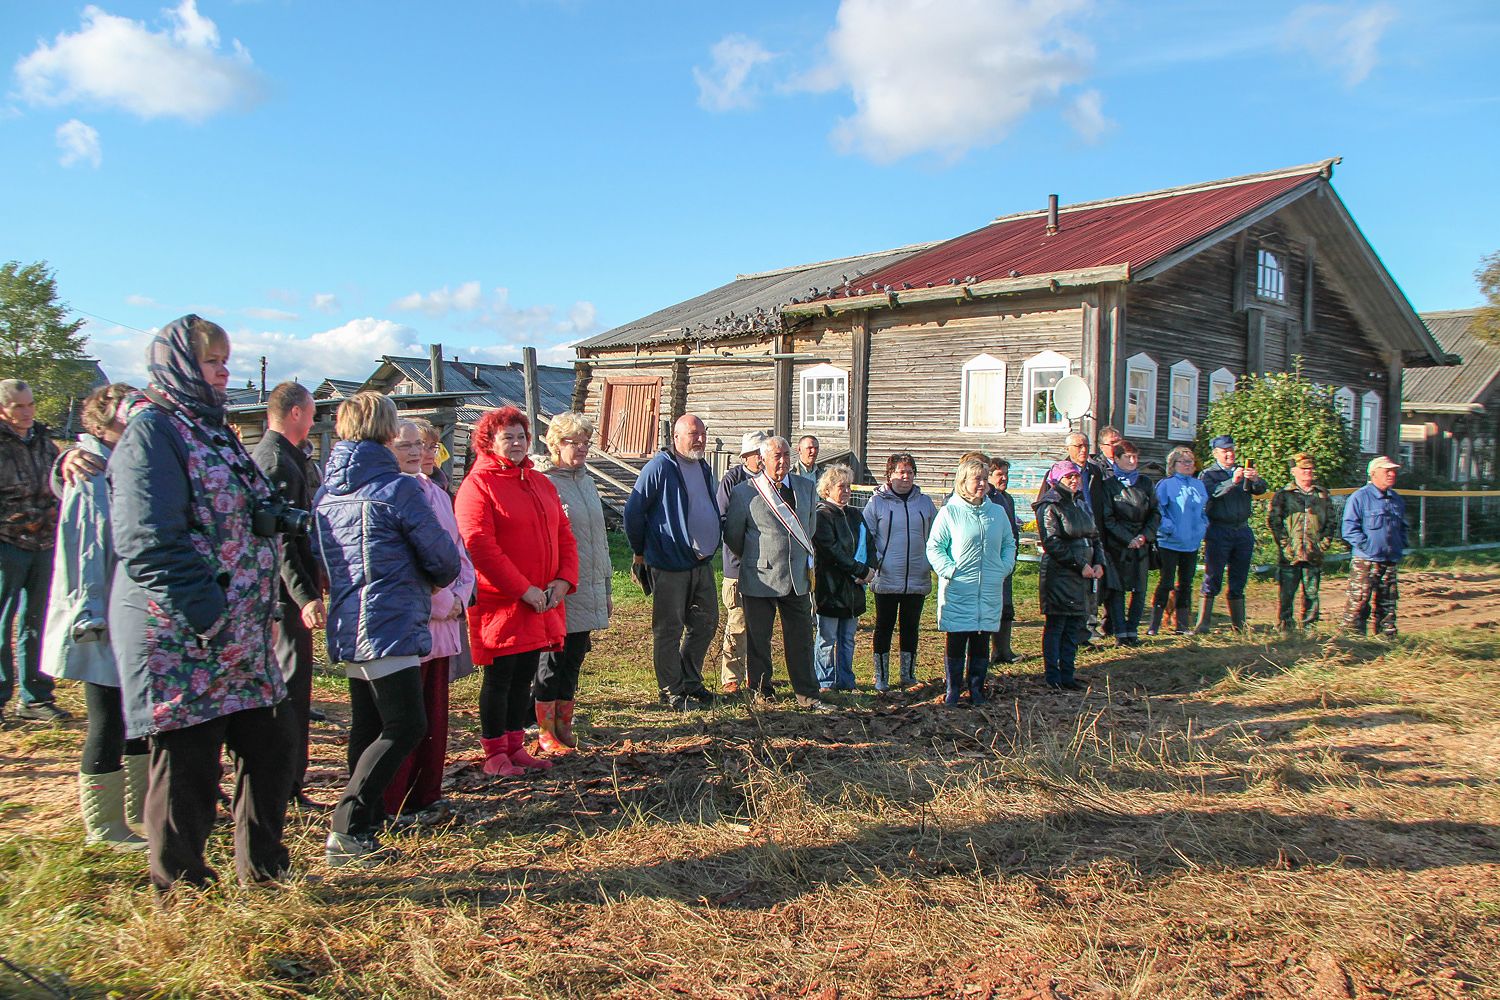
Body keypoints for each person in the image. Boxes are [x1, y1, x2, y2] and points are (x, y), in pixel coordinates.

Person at [109, 315, 292, 889]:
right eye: (212, 361)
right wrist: (209, 616)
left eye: (225, 361)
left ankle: (264, 871)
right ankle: (181, 887)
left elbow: (244, 508)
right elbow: (148, 540)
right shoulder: (153, 432)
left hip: (243, 633)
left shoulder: (212, 430)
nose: (223, 372)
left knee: (270, 748)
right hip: (184, 636)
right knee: (188, 762)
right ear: (179, 365)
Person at [315, 393, 461, 866]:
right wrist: (429, 578)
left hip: (348, 619)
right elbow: (442, 558)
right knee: (406, 724)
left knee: (369, 725)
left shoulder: (328, 491)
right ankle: (348, 825)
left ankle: (366, 823)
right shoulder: (398, 489)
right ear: (385, 430)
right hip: (390, 619)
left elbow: (319, 555)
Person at [39, 383, 145, 849]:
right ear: (103, 424)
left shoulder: (131, 463)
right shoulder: (88, 469)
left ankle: (142, 809)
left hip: (132, 610)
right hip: (101, 615)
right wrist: (90, 614)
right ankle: (104, 827)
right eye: (126, 412)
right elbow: (85, 548)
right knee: (107, 717)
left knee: (138, 714)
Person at [456, 406, 579, 772]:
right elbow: (479, 545)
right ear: (488, 442)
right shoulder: (478, 485)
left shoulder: (540, 483)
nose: (516, 443)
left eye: (521, 436)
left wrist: (563, 580)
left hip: (542, 599)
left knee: (524, 675)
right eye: (507, 437)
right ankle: (494, 752)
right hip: (503, 602)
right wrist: (523, 590)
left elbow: (563, 535)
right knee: (500, 678)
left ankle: (514, 744)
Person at [381, 419, 475, 819]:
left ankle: (426, 793)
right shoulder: (392, 493)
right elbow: (406, 561)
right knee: (407, 718)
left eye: (424, 446)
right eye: (408, 446)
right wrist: (442, 601)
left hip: (445, 620)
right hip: (414, 621)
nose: (419, 453)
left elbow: (457, 552)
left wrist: (460, 595)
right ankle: (393, 802)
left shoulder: (436, 492)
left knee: (435, 715)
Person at [250, 381, 327, 812]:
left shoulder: (287, 458)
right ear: (295, 412)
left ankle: (288, 782)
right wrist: (304, 596)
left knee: (294, 691)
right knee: (289, 693)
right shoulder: (277, 462)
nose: (314, 421)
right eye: (312, 413)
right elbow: (280, 541)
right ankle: (285, 787)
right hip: (282, 598)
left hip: (288, 595)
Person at [622, 414, 720, 711]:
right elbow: (633, 512)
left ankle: (690, 681)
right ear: (676, 437)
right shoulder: (660, 467)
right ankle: (671, 691)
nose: (700, 439)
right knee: (669, 630)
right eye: (693, 434)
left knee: (706, 623)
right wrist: (640, 552)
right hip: (669, 563)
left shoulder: (703, 466)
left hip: (701, 563)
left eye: (702, 433)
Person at [723, 436, 829, 710]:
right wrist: (758, 559)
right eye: (776, 456)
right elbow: (733, 535)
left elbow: (809, 528)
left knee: (801, 640)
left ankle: (807, 694)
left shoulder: (806, 488)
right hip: (760, 577)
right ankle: (762, 692)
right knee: (759, 640)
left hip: (797, 578)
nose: (782, 461)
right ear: (762, 460)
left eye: (786, 455)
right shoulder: (745, 492)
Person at [534, 412, 609, 754]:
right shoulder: (544, 482)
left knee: (575, 657)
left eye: (585, 442)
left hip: (588, 583)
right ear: (554, 443)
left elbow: (599, 541)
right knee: (552, 659)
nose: (580, 448)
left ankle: (564, 726)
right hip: (558, 587)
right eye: (573, 442)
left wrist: (605, 587)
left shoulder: (587, 482)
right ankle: (543, 730)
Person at [0, 377, 69, 725]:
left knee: (37, 621)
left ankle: (36, 696)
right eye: (18, 407)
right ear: (2, 409)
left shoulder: (45, 443)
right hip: (7, 544)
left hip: (45, 544)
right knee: (2, 623)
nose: (27, 413)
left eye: (30, 405)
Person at [927, 456, 1015, 706]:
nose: (982, 484)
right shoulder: (950, 512)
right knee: (957, 638)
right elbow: (934, 547)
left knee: (981, 638)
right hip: (960, 587)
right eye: (977, 479)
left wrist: (1003, 568)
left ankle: (977, 689)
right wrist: (950, 571)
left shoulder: (996, 513)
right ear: (963, 482)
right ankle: (953, 689)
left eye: (985, 479)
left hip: (989, 587)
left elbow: (1009, 543)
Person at [863, 453, 937, 690]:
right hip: (887, 575)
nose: (905, 477)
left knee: (911, 626)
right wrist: (876, 563)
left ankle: (908, 674)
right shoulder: (876, 503)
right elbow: (867, 537)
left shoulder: (925, 503)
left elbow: (935, 536)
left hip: (917, 575)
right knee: (884, 626)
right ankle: (881, 676)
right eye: (901, 472)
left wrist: (930, 563)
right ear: (890, 475)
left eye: (910, 472)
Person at [1035, 461, 1105, 691]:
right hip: (1060, 574)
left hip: (1083, 574)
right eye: (1069, 477)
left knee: (1074, 625)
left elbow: (1094, 537)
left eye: (1076, 476)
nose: (1074, 481)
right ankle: (1052, 674)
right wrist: (1079, 564)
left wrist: (1099, 562)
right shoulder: (1050, 505)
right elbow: (1052, 542)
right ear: (1057, 480)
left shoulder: (1080, 504)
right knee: (1057, 625)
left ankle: (1068, 673)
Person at [811, 464, 872, 692]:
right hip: (830, 587)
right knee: (827, 638)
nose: (846, 491)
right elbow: (832, 551)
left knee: (847, 638)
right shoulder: (822, 516)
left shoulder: (856, 514)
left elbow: (869, 544)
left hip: (854, 589)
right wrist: (860, 571)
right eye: (841, 486)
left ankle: (847, 680)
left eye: (848, 486)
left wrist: (871, 568)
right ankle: (825, 681)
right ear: (827, 489)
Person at [1197, 435, 1266, 633]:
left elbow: (1261, 489)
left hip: (1242, 529)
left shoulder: (1242, 470)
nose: (1229, 455)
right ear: (1215, 453)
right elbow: (1210, 493)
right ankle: (1203, 624)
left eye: (1231, 450)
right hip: (1219, 529)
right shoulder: (1209, 474)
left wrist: (1254, 479)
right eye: (1225, 451)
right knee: (1213, 576)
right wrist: (1232, 481)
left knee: (1239, 577)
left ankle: (1239, 625)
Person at [716, 431, 767, 695]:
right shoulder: (732, 480)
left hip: (766, 567)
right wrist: (744, 548)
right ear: (746, 456)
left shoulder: (770, 480)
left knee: (759, 624)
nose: (761, 458)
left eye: (763, 452)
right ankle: (731, 677)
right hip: (737, 565)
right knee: (737, 622)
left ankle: (755, 676)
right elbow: (723, 520)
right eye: (756, 453)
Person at [1099, 441, 1160, 646]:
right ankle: (1120, 632)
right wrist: (1127, 538)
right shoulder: (1109, 485)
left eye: (1135, 457)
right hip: (1118, 544)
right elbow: (1107, 518)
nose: (1133, 461)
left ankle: (1133, 631)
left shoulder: (1145, 483)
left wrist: (1144, 536)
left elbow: (1155, 513)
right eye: (1128, 457)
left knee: (1139, 589)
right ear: (1116, 459)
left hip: (1142, 542)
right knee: (1117, 590)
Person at [1268, 453, 1336, 634]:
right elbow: (1274, 522)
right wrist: (1285, 545)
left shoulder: (1321, 494)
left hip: (1313, 554)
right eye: (1303, 469)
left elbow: (1331, 521)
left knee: (1312, 593)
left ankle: (1309, 628)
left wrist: (1323, 544)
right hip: (1290, 555)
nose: (1308, 472)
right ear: (1294, 471)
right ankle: (1285, 628)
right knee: (1287, 594)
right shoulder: (1284, 495)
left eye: (1310, 469)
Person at [1341, 456, 1408, 638]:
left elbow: (1402, 526)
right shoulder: (1360, 497)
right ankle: (1352, 640)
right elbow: (1349, 529)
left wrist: (1400, 545)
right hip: (1366, 561)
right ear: (1374, 474)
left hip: (1390, 559)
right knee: (1358, 603)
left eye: (1393, 471)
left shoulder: (1396, 499)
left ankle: (1385, 640)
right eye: (1387, 471)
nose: (1391, 474)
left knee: (1388, 604)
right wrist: (1368, 547)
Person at [1152, 447, 1209, 635]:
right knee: (1166, 581)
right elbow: (1158, 509)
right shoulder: (1166, 485)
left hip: (1191, 542)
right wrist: (1168, 527)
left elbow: (1203, 510)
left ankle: (1182, 625)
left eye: (1191, 461)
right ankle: (1154, 624)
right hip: (1169, 542)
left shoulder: (1198, 485)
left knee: (1186, 583)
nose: (1188, 465)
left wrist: (1202, 527)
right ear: (1173, 464)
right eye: (1184, 461)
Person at [986, 457, 1021, 665]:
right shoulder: (988, 499)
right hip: (989, 562)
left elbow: (1012, 532)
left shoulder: (1007, 499)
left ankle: (1003, 650)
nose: (1004, 478)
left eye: (1006, 474)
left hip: (1005, 561)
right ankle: (988, 652)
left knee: (1006, 606)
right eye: (1000, 474)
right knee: (991, 607)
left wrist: (1011, 557)